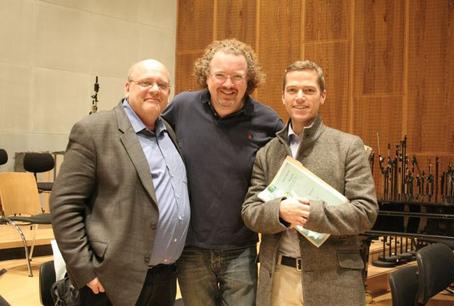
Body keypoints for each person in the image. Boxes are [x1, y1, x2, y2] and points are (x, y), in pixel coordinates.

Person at [50, 59, 190, 306]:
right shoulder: (94, 130)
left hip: (164, 278)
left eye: (163, 85)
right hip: (111, 280)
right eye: (146, 82)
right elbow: (64, 206)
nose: (155, 89)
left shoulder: (167, 131)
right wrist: (85, 270)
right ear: (127, 87)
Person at [242, 60, 378, 306]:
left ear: (322, 96)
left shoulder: (348, 147)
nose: (300, 97)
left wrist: (308, 213)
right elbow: (250, 212)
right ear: (283, 97)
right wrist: (280, 212)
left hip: (334, 281)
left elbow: (365, 213)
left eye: (309, 90)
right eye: (292, 90)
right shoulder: (268, 152)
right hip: (279, 280)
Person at [162, 39, 283, 306]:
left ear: (248, 80)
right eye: (220, 76)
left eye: (237, 77)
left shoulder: (268, 121)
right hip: (190, 247)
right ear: (206, 76)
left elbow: (292, 166)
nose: (228, 84)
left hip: (242, 247)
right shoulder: (182, 107)